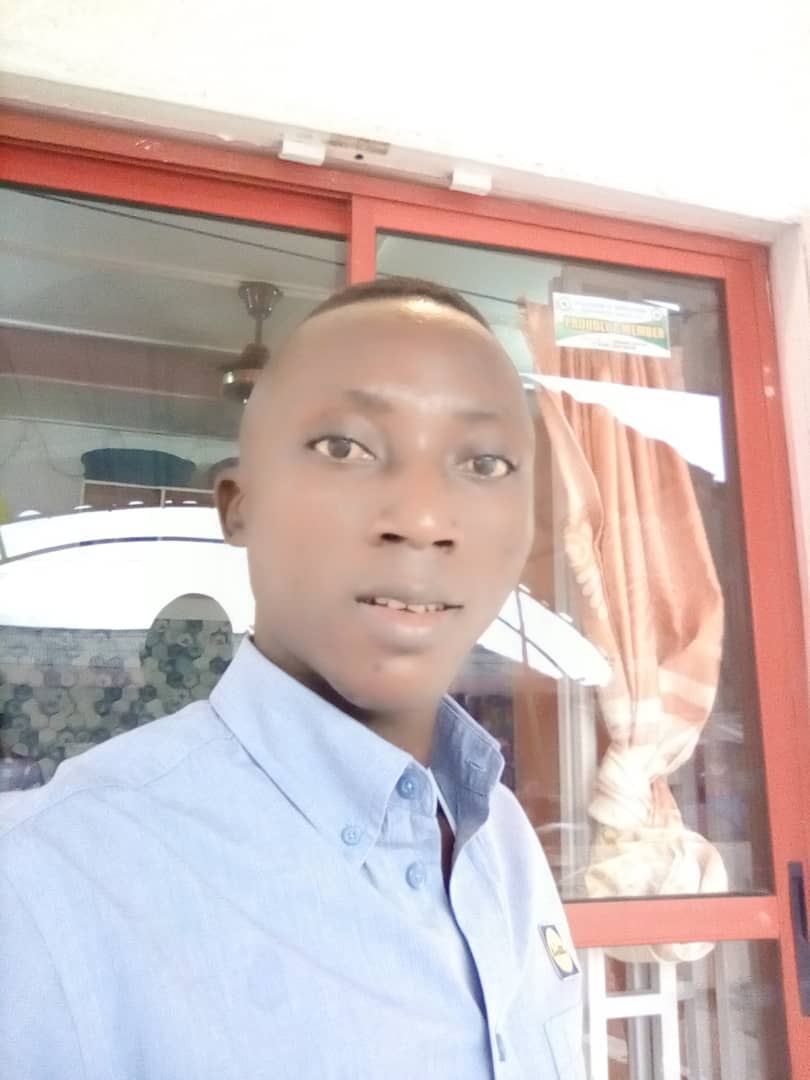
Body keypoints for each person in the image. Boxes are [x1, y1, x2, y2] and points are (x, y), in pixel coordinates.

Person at [0, 277, 585, 1079]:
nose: (421, 519)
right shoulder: (44, 888)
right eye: (343, 447)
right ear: (238, 506)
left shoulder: (504, 842)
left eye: (484, 462)